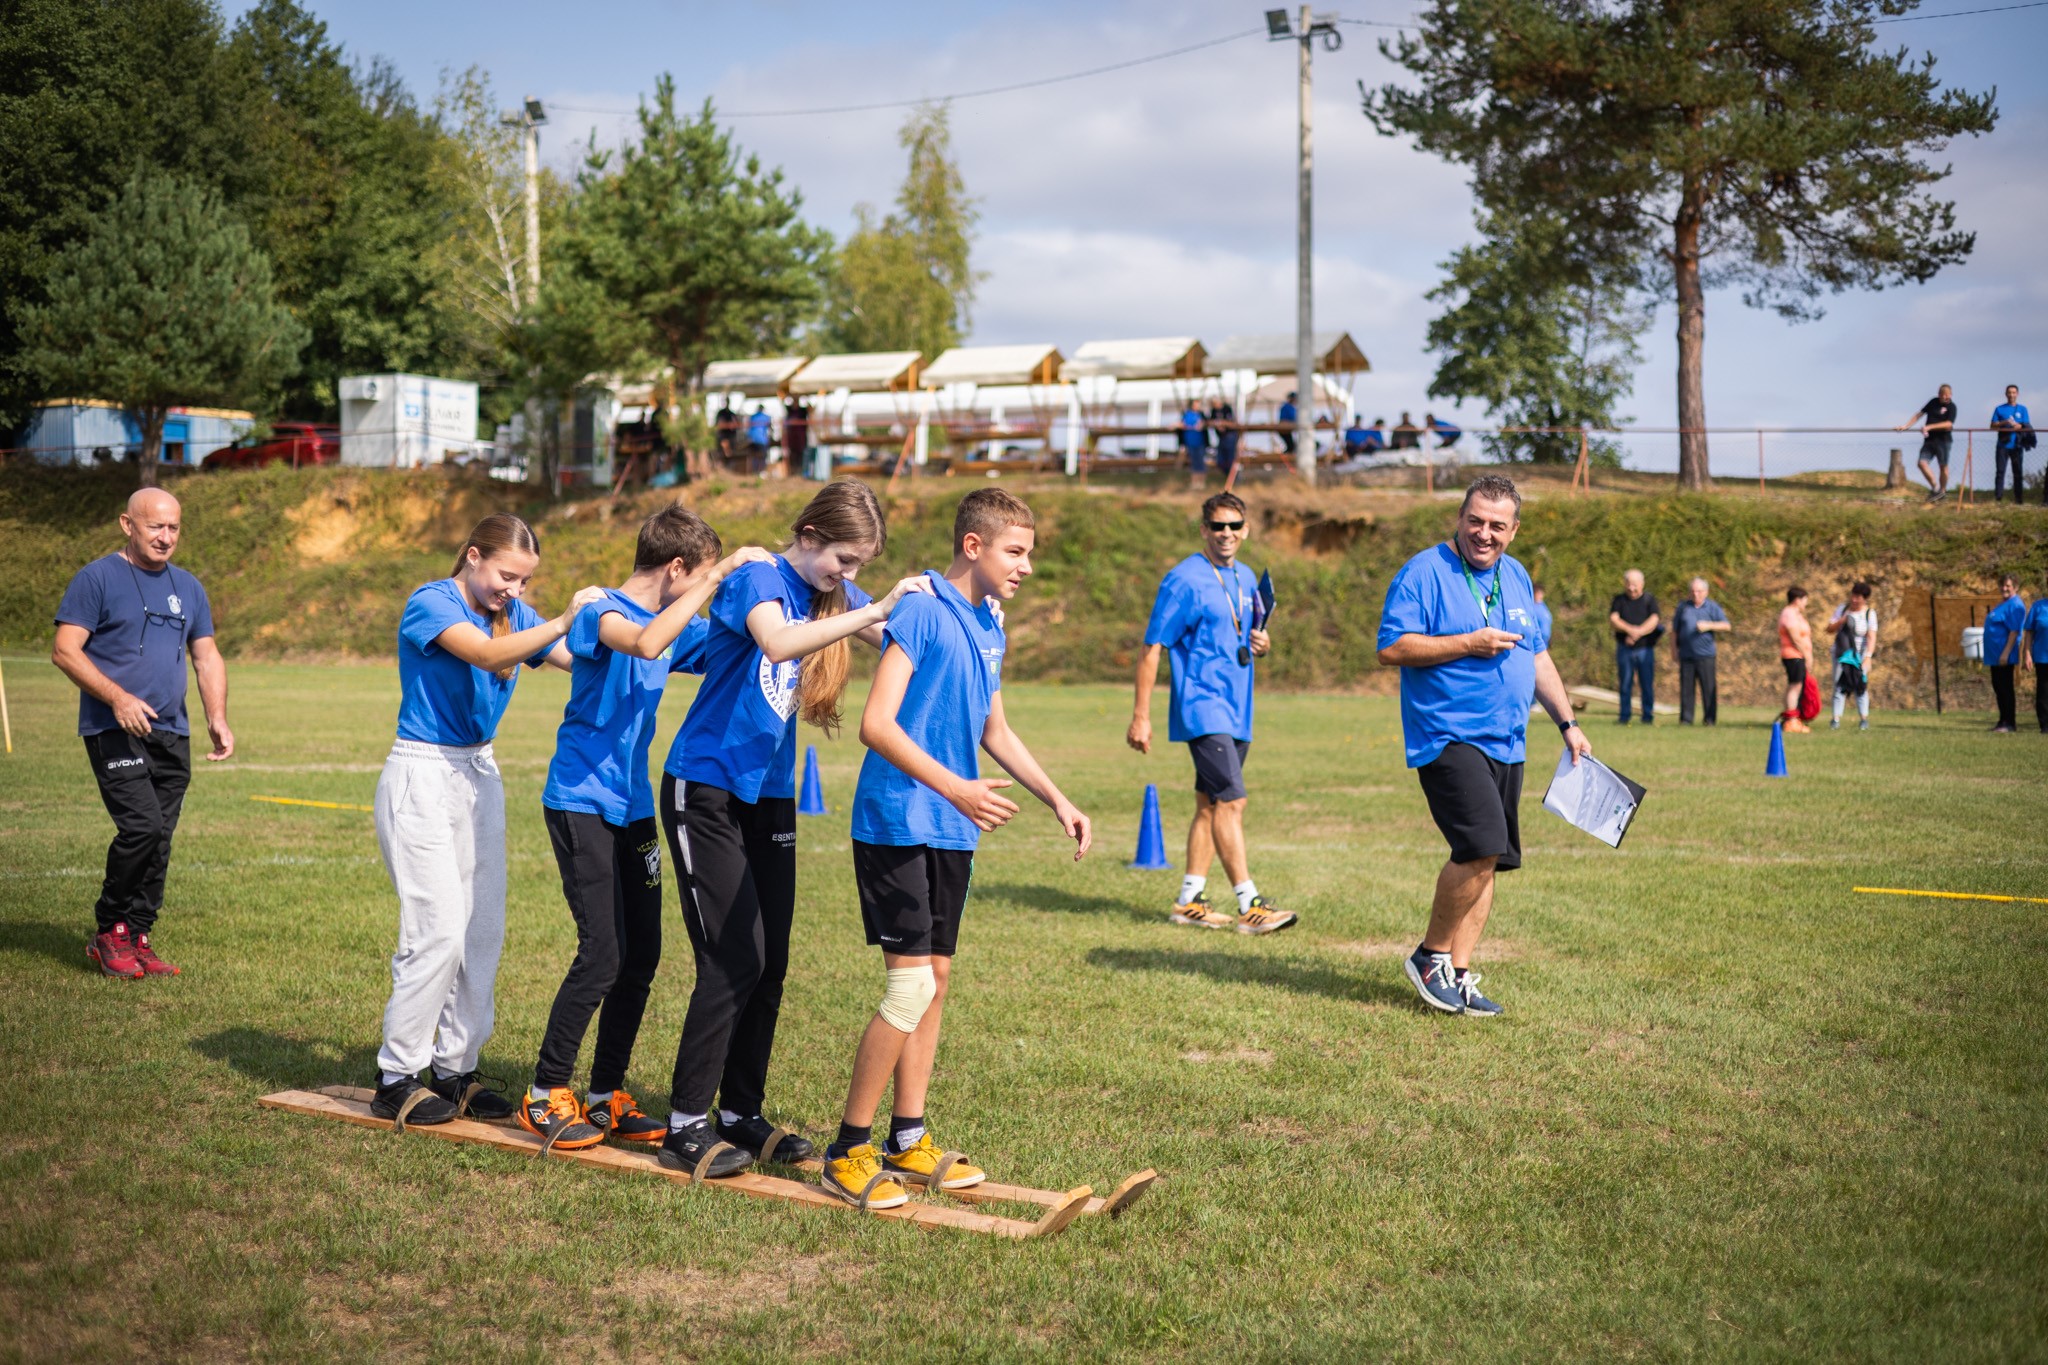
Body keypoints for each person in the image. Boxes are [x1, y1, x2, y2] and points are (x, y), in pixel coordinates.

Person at [818, 489, 1093, 1210]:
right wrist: (959, 789)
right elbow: (876, 725)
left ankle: (908, 1139)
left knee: (936, 979)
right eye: (1017, 550)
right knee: (908, 987)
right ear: (974, 546)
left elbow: (993, 729)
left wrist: (1056, 797)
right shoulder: (919, 609)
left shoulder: (988, 622)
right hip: (897, 819)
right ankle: (847, 1148)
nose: (1027, 566)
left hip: (949, 827)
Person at [656, 481, 934, 1178]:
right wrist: (871, 606)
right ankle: (686, 1121)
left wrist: (943, 609)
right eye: (843, 558)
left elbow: (899, 634)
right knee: (731, 959)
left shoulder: (824, 591)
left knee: (770, 961)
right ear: (808, 534)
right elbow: (777, 643)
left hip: (770, 795)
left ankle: (738, 1112)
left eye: (860, 563)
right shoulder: (759, 575)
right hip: (707, 786)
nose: (848, 574)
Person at [521, 507, 773, 1153]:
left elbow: (719, 644)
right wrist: (717, 581)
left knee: (643, 957)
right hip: (580, 801)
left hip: (633, 807)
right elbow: (643, 642)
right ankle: (547, 1090)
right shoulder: (597, 610)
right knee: (601, 953)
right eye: (701, 573)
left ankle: (606, 1095)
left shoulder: (670, 618)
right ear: (679, 568)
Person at [368, 516, 603, 1127]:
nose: (515, 591)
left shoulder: (517, 613)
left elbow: (576, 658)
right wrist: (560, 618)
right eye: (507, 576)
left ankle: (454, 1070)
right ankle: (397, 1076)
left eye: (525, 581)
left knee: (481, 932)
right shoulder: (432, 601)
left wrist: (640, 628)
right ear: (473, 556)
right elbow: (487, 652)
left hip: (479, 773)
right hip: (422, 773)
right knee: (438, 928)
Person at [1376, 475, 1589, 1019]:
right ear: (1460, 517)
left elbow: (1538, 658)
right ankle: (1429, 957)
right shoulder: (1423, 572)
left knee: (1490, 859)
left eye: (1497, 525)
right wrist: (1467, 644)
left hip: (1508, 740)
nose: (1484, 534)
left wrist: (1567, 723)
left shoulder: (1515, 576)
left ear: (1514, 531)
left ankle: (1460, 973)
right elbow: (1393, 647)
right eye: (1476, 520)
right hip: (1447, 734)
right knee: (1479, 845)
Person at [52, 488, 234, 979]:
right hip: (115, 727)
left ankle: (138, 934)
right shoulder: (97, 578)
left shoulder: (189, 587)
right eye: (155, 526)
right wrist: (117, 697)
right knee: (142, 828)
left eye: (173, 527)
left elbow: (206, 655)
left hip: (172, 731)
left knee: (161, 839)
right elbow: (66, 650)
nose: (165, 536)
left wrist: (216, 715)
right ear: (127, 524)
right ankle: (109, 929)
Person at [1127, 492, 1293, 935]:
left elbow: (1249, 633)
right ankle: (1250, 904)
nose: (1226, 534)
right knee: (1232, 802)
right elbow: (1151, 646)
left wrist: (1263, 643)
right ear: (1204, 529)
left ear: (1246, 530)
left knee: (1210, 804)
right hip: (1203, 708)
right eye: (1218, 526)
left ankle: (1188, 901)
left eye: (1234, 526)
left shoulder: (1244, 578)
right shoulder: (1183, 580)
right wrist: (1141, 715)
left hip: (1239, 708)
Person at [1671, 577, 1730, 726]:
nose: (1695, 594)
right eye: (1693, 591)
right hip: (1686, 655)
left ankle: (1709, 720)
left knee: (1708, 688)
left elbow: (1726, 625)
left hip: (1706, 655)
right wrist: (1673, 650)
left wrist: (1709, 625)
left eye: (1699, 591)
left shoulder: (1712, 607)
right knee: (1686, 689)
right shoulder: (1683, 607)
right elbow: (1674, 631)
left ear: (1706, 592)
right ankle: (1686, 719)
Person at [1608, 569, 1661, 724]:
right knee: (1625, 683)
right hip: (1624, 649)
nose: (1631, 588)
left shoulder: (1649, 600)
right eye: (1629, 584)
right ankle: (1624, 716)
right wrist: (1631, 630)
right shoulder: (1619, 600)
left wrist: (1638, 632)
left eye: (1635, 585)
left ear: (1642, 584)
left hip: (1645, 649)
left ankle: (1647, 716)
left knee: (1646, 683)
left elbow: (1654, 619)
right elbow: (1613, 619)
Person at [1827, 582, 1879, 732]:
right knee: (1839, 685)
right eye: (1853, 596)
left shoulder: (1869, 614)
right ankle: (1835, 719)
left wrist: (1868, 656)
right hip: (1842, 655)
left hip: (1860, 656)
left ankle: (1863, 718)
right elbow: (1829, 629)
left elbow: (1871, 637)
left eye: (1858, 597)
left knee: (1860, 686)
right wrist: (1841, 621)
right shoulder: (1842, 609)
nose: (1854, 600)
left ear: (1865, 599)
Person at [1895, 383, 1957, 502]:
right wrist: (1906, 426)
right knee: (1921, 463)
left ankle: (1942, 492)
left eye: (1949, 395)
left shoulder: (1952, 407)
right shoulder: (1933, 402)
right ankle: (1936, 488)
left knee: (1943, 466)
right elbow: (1919, 414)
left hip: (1944, 441)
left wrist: (1929, 427)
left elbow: (1949, 424)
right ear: (1939, 395)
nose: (1947, 398)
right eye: (1944, 395)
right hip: (1929, 441)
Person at [1983, 573, 2027, 733]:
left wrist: (2005, 653)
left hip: (2003, 656)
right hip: (1995, 656)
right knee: (1999, 688)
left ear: (2015, 587)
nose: (2004, 588)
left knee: (2005, 688)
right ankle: (2002, 721)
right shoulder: (2004, 604)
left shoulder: (2015, 605)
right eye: (2003, 585)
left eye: (2008, 586)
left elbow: (2014, 632)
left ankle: (2009, 723)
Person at [1778, 586, 1815, 733]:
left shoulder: (1796, 614)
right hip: (1794, 655)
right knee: (1795, 686)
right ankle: (1791, 721)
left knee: (1795, 686)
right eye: (1805, 600)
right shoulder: (1789, 614)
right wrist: (1807, 655)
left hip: (1797, 655)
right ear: (1797, 600)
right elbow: (1795, 638)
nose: (1805, 604)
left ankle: (1793, 718)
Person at [1989, 386, 2033, 505]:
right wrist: (2004, 422)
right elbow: (1992, 425)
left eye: (2013, 392)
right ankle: (1998, 499)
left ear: (2017, 394)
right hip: (2002, 446)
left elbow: (2026, 425)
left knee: (2018, 473)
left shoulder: (2022, 409)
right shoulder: (1999, 409)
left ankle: (2019, 500)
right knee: (2000, 472)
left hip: (2017, 446)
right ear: (2006, 394)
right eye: (2009, 392)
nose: (2011, 395)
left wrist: (2019, 426)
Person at [2022, 575, 2048, 733]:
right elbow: (2029, 632)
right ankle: (2045, 725)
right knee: (2044, 692)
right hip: (2042, 657)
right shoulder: (2038, 606)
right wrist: (2027, 654)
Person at [1208, 398, 1240, 483]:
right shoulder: (1214, 411)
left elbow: (1233, 423)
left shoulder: (1227, 409)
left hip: (1230, 436)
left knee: (1230, 459)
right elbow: (1210, 421)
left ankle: (1234, 479)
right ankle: (1228, 477)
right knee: (1220, 460)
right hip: (1221, 438)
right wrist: (1216, 424)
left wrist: (1223, 423)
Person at [1181, 399, 1207, 490]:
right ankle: (1194, 483)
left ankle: (1201, 483)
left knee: (1200, 462)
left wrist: (1202, 425)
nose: (1197, 406)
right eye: (1196, 404)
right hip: (1190, 441)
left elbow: (1205, 424)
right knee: (1193, 462)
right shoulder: (1186, 414)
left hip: (1200, 442)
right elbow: (1183, 424)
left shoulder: (1201, 415)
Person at [781, 397, 810, 479]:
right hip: (792, 438)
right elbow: (783, 403)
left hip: (801, 437)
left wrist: (807, 397)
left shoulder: (803, 410)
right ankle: (793, 472)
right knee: (793, 455)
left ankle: (800, 472)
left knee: (801, 454)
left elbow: (811, 409)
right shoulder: (789, 409)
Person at [745, 405, 773, 472]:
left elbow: (748, 428)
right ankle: (762, 471)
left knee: (754, 456)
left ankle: (755, 471)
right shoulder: (766, 417)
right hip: (762, 440)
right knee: (763, 456)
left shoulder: (752, 417)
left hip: (752, 440)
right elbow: (770, 428)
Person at [714, 403, 740, 467]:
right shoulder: (721, 413)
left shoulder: (731, 414)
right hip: (723, 436)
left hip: (730, 436)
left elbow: (736, 424)